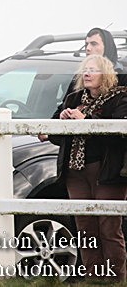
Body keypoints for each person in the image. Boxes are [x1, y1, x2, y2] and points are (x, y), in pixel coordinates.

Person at [45, 54, 127, 281]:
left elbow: (120, 139)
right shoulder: (73, 98)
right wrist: (63, 119)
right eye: (85, 69)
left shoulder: (120, 98)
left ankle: (115, 279)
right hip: (75, 172)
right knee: (85, 228)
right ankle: (93, 277)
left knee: (108, 228)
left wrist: (87, 121)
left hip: (106, 172)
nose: (87, 73)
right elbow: (53, 135)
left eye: (93, 69)